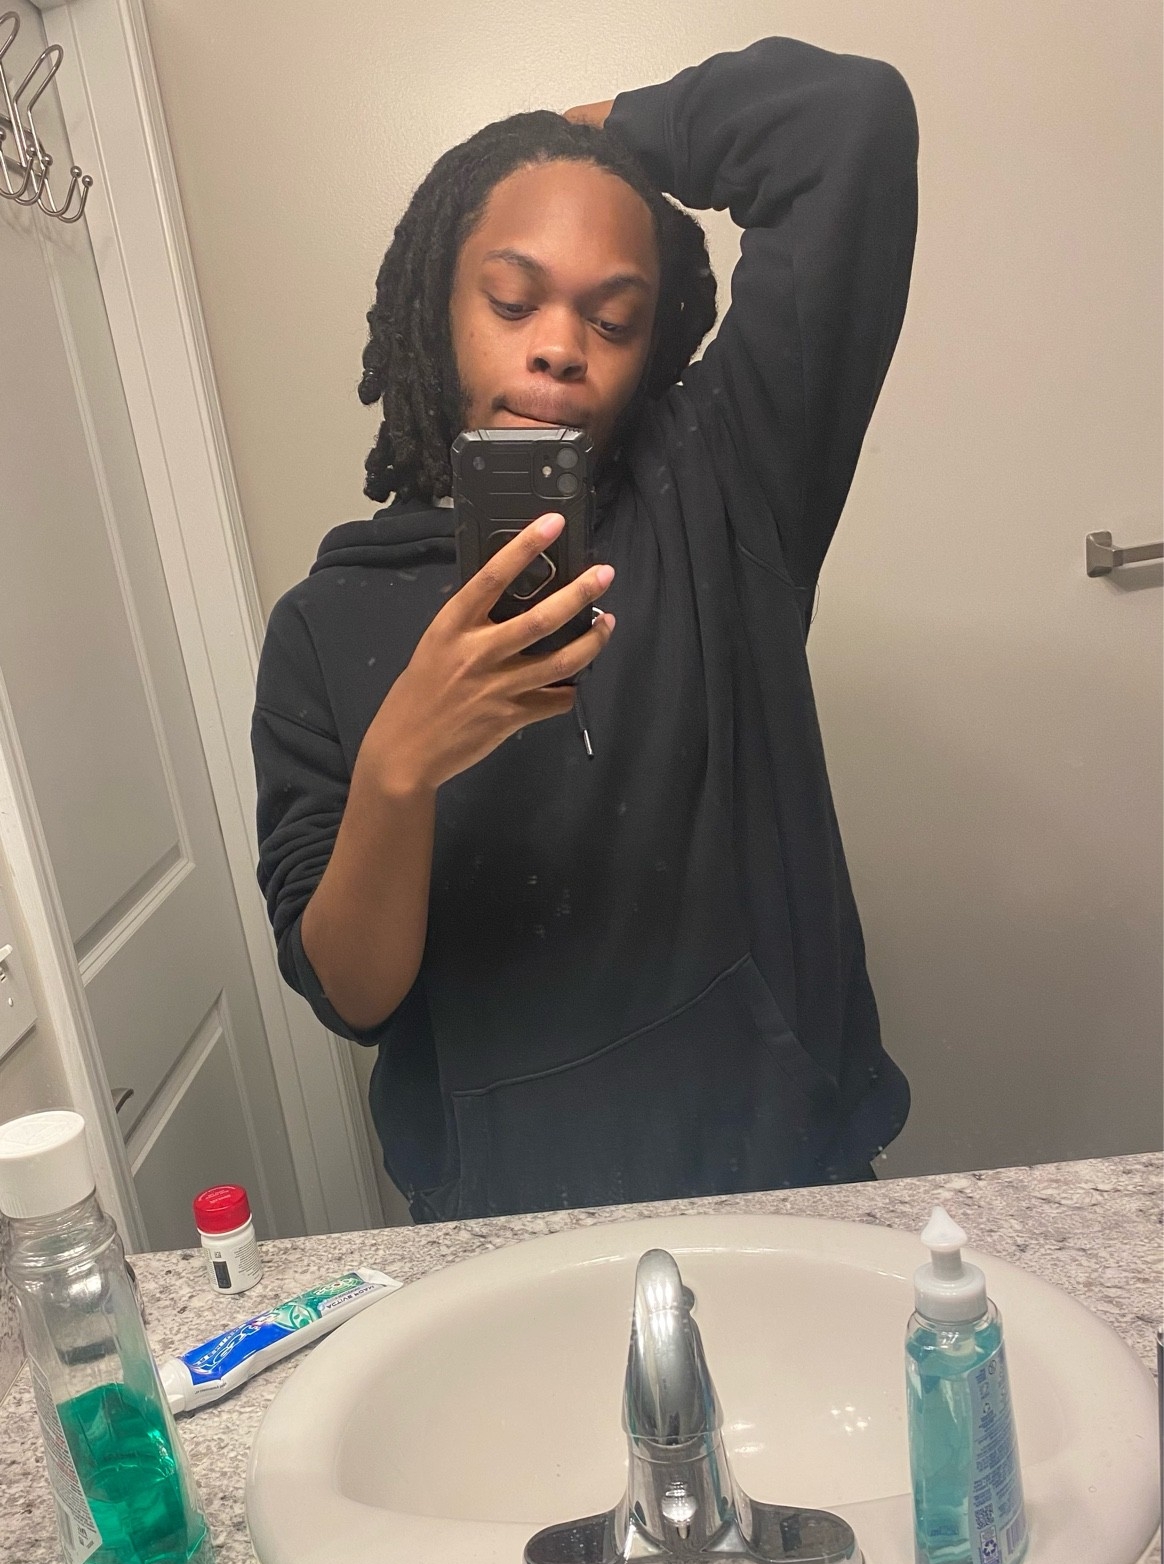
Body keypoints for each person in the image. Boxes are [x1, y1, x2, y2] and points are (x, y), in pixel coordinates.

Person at [252, 35, 919, 1224]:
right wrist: (400, 767)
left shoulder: (722, 486)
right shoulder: (322, 626)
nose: (560, 344)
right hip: (506, 1220)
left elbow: (849, 121)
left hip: (785, 1172)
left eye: (613, 320)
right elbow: (354, 995)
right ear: (437, 305)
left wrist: (589, 134)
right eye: (513, 300)